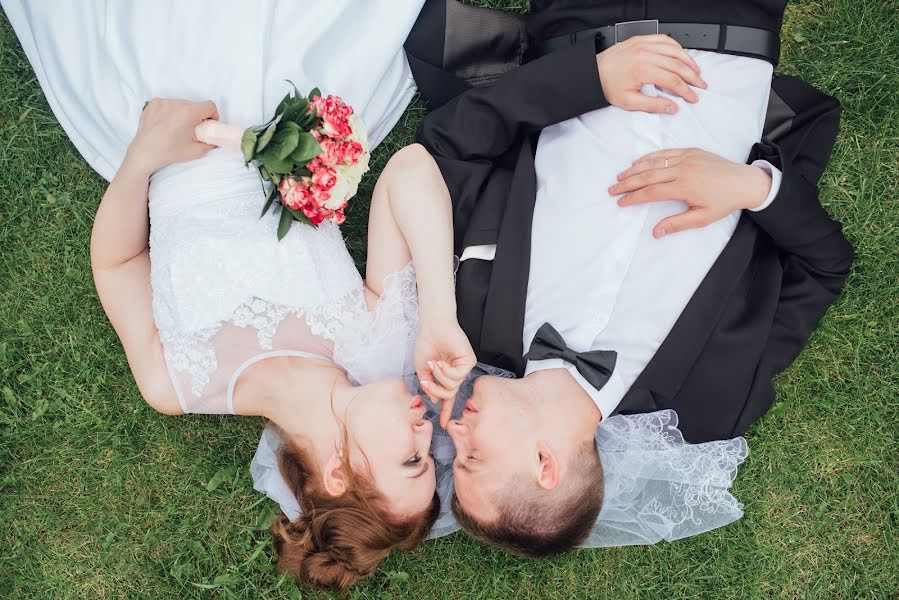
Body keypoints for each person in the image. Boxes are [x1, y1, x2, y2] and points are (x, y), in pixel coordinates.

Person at [2, 0, 474, 590]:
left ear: (336, 472)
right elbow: (408, 170)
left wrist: (145, 156)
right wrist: (438, 312)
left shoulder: (177, 384)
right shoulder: (374, 341)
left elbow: (118, 261)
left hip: (169, 118)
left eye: (412, 460)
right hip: (291, 105)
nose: (428, 432)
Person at [404, 0, 853, 556]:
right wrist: (751, 188)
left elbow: (448, 145)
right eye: (473, 456)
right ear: (547, 464)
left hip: (581, 22)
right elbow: (826, 264)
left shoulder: (469, 320)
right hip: (731, 22)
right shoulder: (710, 403)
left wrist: (587, 79)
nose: (454, 435)